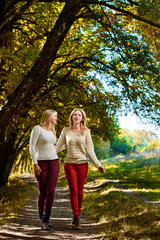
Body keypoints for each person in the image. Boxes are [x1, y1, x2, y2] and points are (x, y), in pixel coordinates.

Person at [55, 109, 106, 230]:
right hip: (69, 164)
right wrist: (43, 155)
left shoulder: (86, 132)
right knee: (73, 190)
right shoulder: (65, 130)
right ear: (71, 117)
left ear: (82, 118)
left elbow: (90, 150)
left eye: (79, 115)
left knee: (80, 191)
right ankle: (77, 217)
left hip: (83, 164)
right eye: (75, 115)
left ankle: (75, 214)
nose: (77, 116)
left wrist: (98, 165)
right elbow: (57, 146)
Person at [29, 109, 59, 231]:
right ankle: (42, 218)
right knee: (43, 192)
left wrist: (63, 146)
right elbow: (31, 146)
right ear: (49, 117)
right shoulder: (37, 129)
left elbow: (52, 148)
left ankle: (46, 220)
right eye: (55, 116)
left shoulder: (52, 130)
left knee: (51, 191)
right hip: (41, 163)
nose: (57, 118)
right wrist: (35, 163)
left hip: (54, 162)